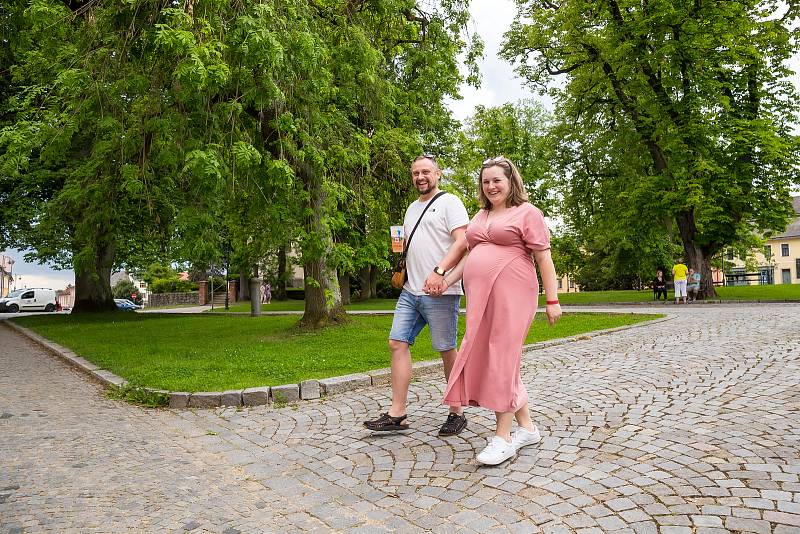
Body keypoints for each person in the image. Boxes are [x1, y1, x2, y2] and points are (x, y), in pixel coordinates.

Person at [429, 156, 562, 466]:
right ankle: (527, 428)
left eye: (496, 180)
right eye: (486, 181)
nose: (491, 186)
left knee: (501, 357)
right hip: (480, 297)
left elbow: (544, 259)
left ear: (510, 181)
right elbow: (472, 254)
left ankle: (502, 438)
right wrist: (445, 280)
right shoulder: (480, 216)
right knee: (495, 357)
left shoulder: (528, 213)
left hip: (513, 294)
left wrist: (553, 301)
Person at [364, 154, 471, 436]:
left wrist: (440, 273)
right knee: (396, 343)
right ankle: (397, 413)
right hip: (411, 291)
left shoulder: (450, 202)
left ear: (438, 174)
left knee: (446, 349)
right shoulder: (412, 208)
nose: (420, 177)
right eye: (415, 173)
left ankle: (456, 412)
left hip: (441, 292)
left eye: (425, 172)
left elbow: (464, 242)